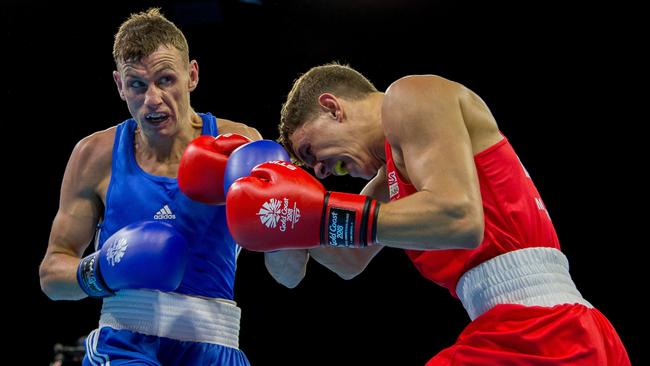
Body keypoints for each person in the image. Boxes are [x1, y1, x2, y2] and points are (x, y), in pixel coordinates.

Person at [224, 63, 631, 365]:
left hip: (544, 329)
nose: (321, 171)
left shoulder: (410, 95)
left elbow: (459, 218)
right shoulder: (392, 175)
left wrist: (325, 211)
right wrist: (275, 219)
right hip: (536, 330)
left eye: (312, 152)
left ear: (333, 108)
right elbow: (347, 260)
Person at [38, 8, 286, 365]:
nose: (152, 98)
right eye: (137, 84)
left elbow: (287, 275)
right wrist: (102, 271)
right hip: (124, 344)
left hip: (216, 346)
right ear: (119, 86)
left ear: (192, 75)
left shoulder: (241, 145)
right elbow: (51, 275)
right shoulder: (96, 155)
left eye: (166, 79)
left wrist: (282, 220)